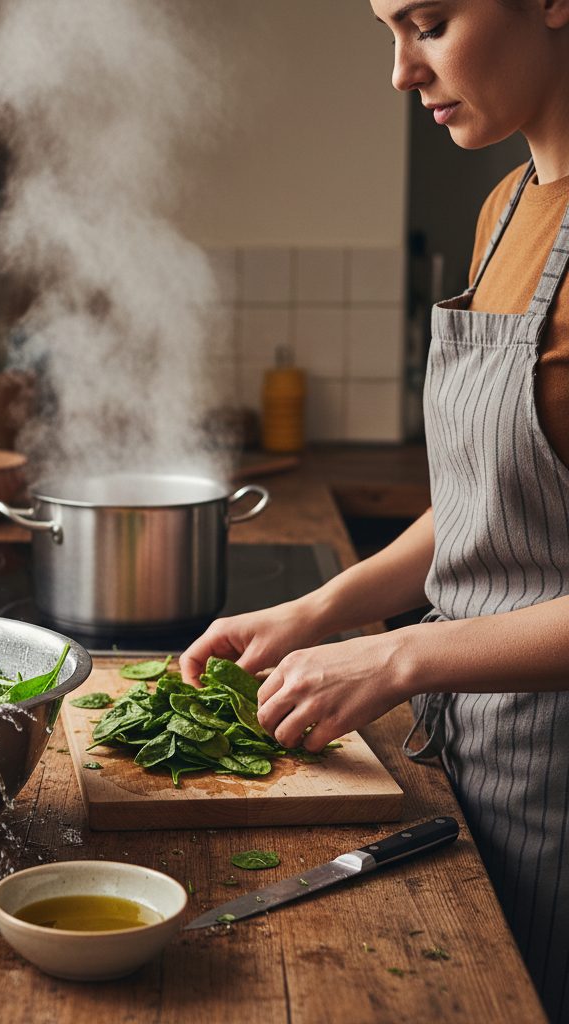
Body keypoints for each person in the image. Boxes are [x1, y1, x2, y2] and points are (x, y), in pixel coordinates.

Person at [180, 1, 569, 1019]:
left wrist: (396, 656)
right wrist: (323, 608)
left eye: (429, 22)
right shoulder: (503, 210)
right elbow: (499, 495)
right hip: (475, 763)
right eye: (387, 29)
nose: (400, 71)